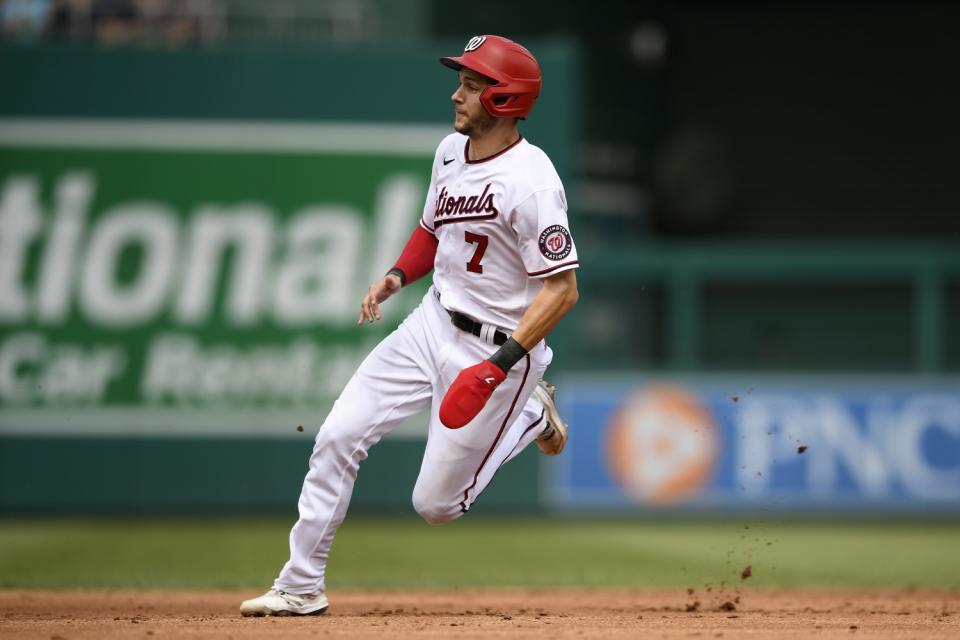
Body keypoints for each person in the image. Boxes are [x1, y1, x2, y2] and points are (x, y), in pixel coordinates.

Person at [240, 34, 580, 617]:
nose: (458, 94)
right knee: (337, 437)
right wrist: (397, 276)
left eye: (472, 86)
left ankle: (530, 414)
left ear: (504, 98)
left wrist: (500, 369)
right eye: (462, 82)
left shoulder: (533, 181)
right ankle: (300, 585)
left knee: (436, 506)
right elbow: (432, 229)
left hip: (498, 349)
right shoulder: (450, 152)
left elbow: (562, 288)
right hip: (429, 324)